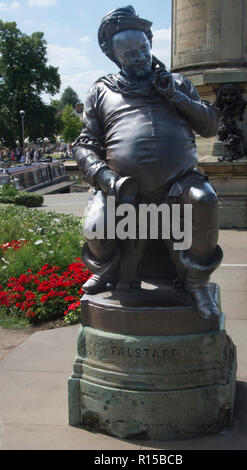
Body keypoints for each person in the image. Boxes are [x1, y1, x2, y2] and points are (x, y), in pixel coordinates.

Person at [73, 6, 223, 320]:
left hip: (180, 181)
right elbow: (85, 144)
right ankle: (108, 269)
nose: (140, 57)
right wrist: (105, 178)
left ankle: (197, 283)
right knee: (95, 228)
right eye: (130, 53)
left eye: (143, 48)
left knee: (205, 199)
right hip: (124, 187)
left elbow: (210, 126)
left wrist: (177, 97)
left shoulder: (177, 83)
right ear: (116, 57)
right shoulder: (101, 91)